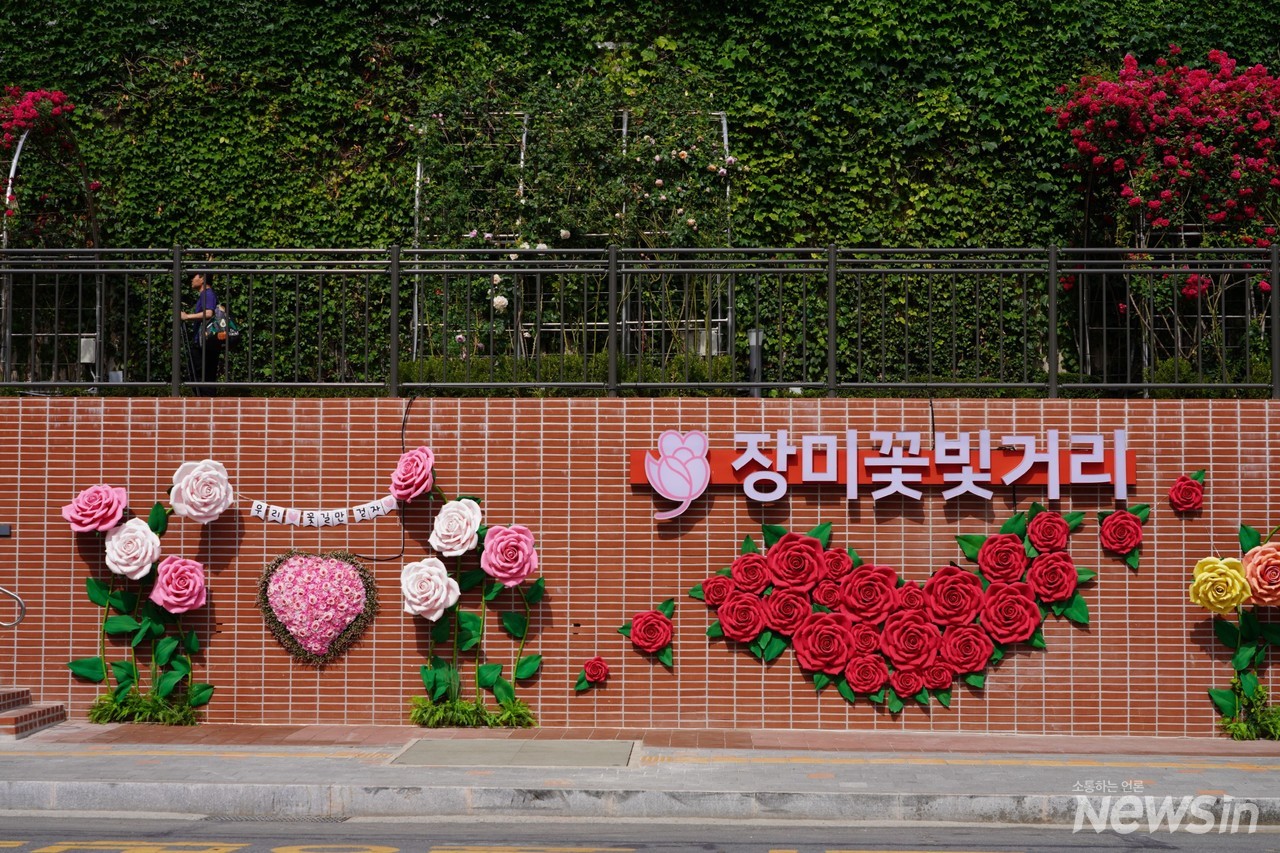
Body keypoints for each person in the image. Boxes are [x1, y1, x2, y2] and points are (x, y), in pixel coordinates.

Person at [180, 272, 221, 396]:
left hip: (204, 344)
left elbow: (208, 313)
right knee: (203, 376)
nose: (191, 279)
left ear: (202, 279)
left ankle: (206, 403)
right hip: (205, 343)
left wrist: (187, 316)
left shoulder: (207, 294)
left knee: (201, 376)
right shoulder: (206, 294)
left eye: (194, 276)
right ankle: (206, 402)